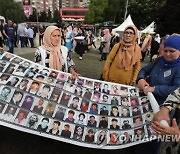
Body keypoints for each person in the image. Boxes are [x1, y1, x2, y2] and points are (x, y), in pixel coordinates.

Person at [137, 35, 180, 105]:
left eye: (172, 51)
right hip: (147, 100)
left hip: (164, 106)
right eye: (165, 50)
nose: (168, 54)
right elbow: (144, 70)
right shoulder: (159, 60)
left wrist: (155, 89)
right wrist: (141, 79)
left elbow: (176, 89)